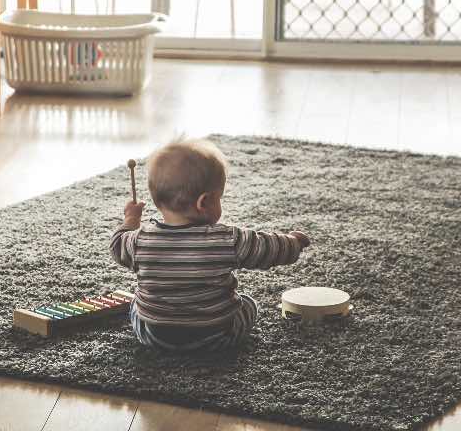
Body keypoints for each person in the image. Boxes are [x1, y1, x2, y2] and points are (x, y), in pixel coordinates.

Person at [110, 139, 311, 352]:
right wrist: (294, 242)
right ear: (203, 203)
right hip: (216, 336)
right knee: (249, 304)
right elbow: (267, 248)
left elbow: (117, 245)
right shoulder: (228, 239)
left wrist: (131, 219)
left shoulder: (139, 240)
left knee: (135, 303)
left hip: (153, 335)